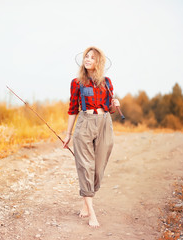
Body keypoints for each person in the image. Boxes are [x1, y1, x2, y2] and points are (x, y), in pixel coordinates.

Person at [63, 46, 120, 228]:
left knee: (98, 169)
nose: (87, 60)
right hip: (85, 124)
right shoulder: (76, 82)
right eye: (86, 57)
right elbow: (73, 109)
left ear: (98, 62)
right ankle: (91, 212)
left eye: (92, 57)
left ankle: (86, 202)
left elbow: (110, 109)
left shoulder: (107, 82)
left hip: (105, 123)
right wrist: (68, 134)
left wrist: (115, 105)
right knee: (85, 166)